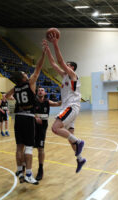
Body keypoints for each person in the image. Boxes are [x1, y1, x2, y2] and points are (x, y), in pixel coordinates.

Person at [43, 35, 86, 173]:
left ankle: (79, 142)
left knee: (55, 128)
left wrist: (55, 43)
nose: (65, 65)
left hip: (71, 107)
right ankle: (80, 158)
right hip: (68, 107)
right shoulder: (64, 77)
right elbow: (54, 64)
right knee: (69, 137)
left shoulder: (73, 75)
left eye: (68, 64)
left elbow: (60, 61)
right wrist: (47, 50)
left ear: (72, 67)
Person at [5, 45, 46, 185]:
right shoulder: (30, 84)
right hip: (28, 118)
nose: (26, 74)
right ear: (23, 77)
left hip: (18, 117)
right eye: (24, 74)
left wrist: (13, 96)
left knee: (19, 147)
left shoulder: (15, 88)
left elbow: (6, 96)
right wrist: (44, 53)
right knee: (29, 147)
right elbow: (38, 68)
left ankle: (18, 170)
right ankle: (28, 174)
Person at [34, 87, 61, 181]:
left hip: (42, 129)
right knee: (28, 147)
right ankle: (25, 167)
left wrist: (67, 98)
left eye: (42, 90)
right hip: (32, 127)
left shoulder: (47, 102)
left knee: (41, 149)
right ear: (37, 92)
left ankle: (40, 169)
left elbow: (58, 103)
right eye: (39, 90)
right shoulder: (33, 101)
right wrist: (35, 117)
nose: (40, 91)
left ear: (45, 93)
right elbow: (28, 111)